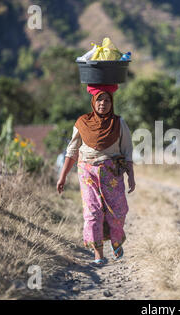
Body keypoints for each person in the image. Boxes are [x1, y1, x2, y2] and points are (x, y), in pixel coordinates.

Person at [57, 85, 135, 265]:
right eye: (99, 99)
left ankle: (116, 241)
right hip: (87, 171)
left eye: (107, 100)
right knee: (93, 212)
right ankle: (98, 254)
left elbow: (127, 151)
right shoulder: (82, 123)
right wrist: (63, 177)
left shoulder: (118, 123)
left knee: (118, 211)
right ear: (93, 102)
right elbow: (72, 151)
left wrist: (131, 176)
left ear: (112, 103)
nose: (103, 103)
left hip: (112, 172)